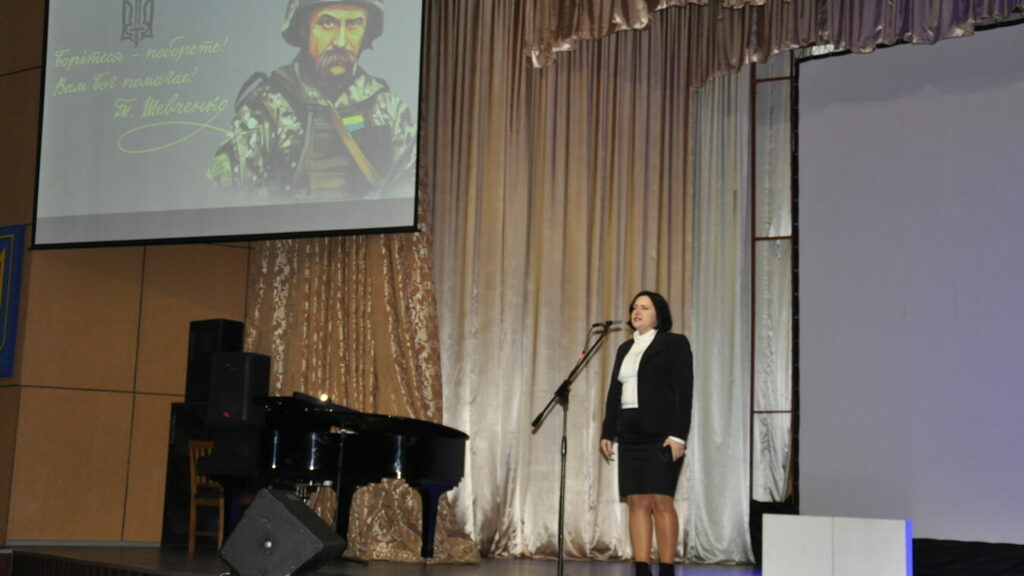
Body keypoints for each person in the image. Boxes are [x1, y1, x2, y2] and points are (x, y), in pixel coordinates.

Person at [208, 0, 416, 201]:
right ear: (302, 29)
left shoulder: (388, 109)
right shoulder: (267, 108)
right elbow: (227, 200)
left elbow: (410, 191)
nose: (340, 41)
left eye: (354, 24)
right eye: (328, 23)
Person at [600, 291, 694, 576]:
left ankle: (666, 569)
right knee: (637, 501)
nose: (637, 311)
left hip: (662, 434)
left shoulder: (674, 344)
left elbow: (684, 392)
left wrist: (678, 435)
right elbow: (614, 393)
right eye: (634, 307)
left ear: (658, 314)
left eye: (645, 307)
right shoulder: (624, 349)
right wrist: (607, 432)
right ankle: (641, 568)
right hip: (630, 434)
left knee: (660, 500)